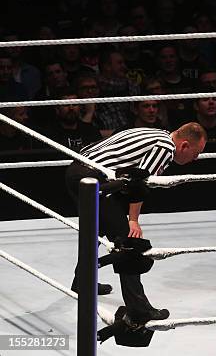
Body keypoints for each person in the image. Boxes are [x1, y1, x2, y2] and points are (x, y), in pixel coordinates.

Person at [66, 122, 207, 324]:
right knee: (128, 244)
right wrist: (133, 220)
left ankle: (82, 281)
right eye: (196, 152)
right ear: (184, 145)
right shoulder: (166, 148)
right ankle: (139, 309)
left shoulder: (158, 134)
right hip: (93, 180)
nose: (197, 158)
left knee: (96, 228)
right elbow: (137, 184)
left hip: (77, 172)